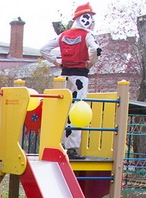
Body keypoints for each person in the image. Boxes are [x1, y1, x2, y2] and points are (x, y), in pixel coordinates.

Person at [39, 3, 102, 160]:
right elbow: (96, 50)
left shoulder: (63, 36)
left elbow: (43, 49)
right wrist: (91, 62)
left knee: (64, 108)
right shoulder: (87, 35)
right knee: (78, 108)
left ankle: (58, 143)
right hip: (80, 75)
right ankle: (72, 147)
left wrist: (56, 62)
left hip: (65, 74)